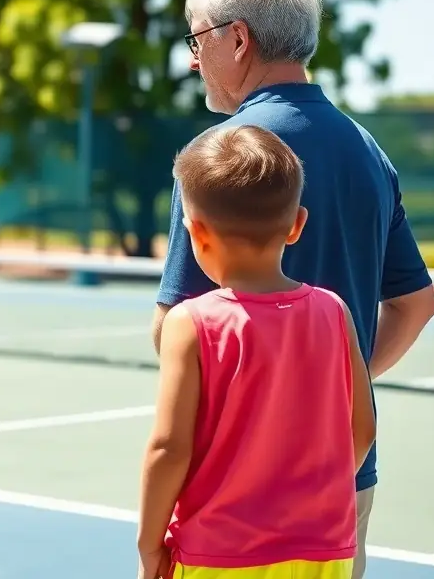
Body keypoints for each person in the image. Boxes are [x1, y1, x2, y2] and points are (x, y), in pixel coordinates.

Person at [154, 0, 434, 579]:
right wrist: (326, 390)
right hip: (337, 492)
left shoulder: (217, 157)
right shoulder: (370, 153)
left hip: (229, 497)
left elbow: (174, 330)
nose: (193, 59)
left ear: (238, 38)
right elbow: (417, 307)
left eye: (197, 38)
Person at [137, 124, 376, 579]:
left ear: (196, 235)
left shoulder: (188, 323)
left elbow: (168, 448)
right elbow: (362, 430)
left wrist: (149, 546)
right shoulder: (335, 312)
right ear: (298, 225)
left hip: (219, 557)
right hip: (324, 553)